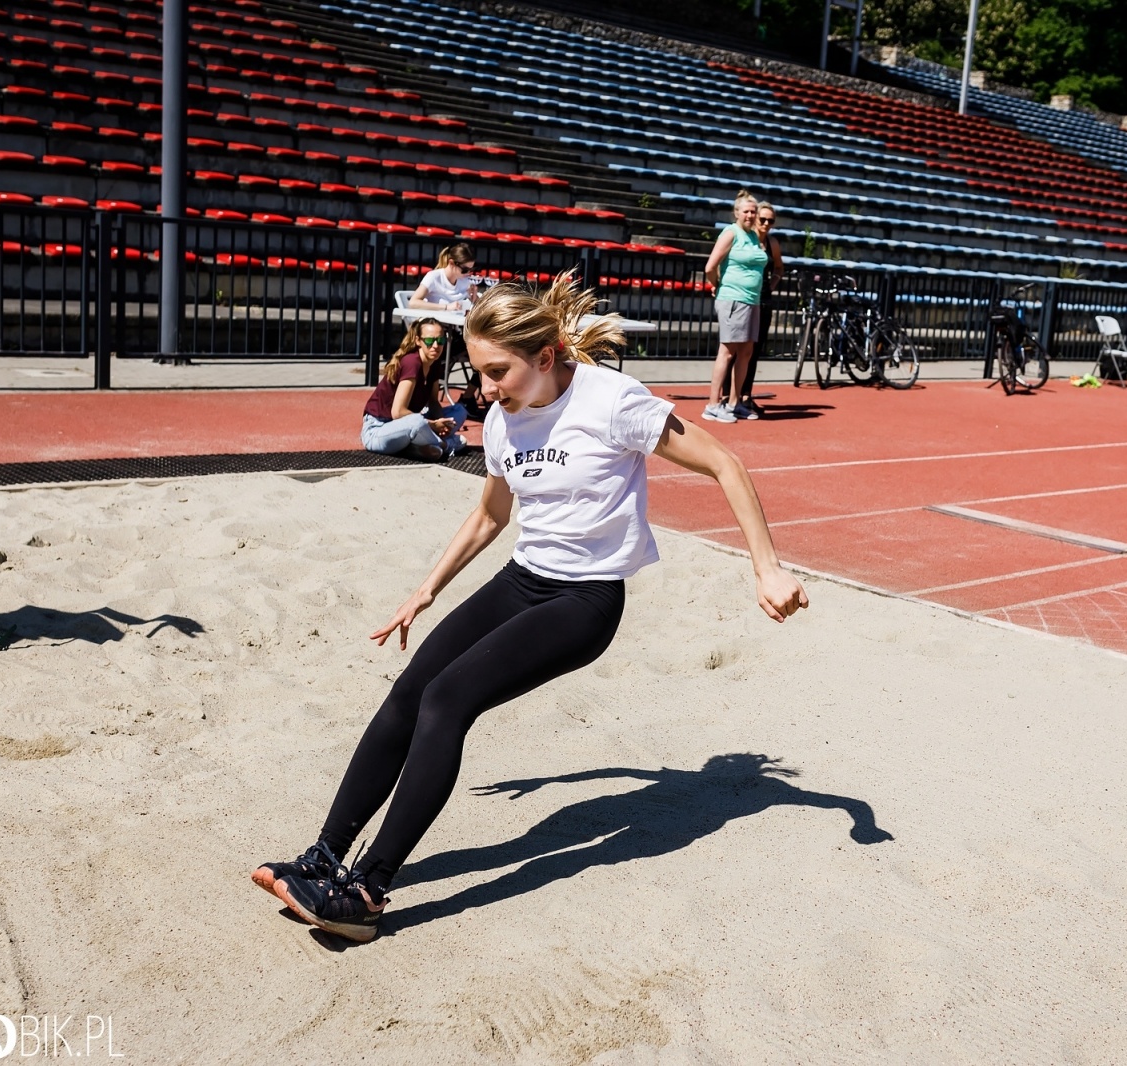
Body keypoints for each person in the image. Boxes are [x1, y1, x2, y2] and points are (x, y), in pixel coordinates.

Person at [253, 271, 809, 943]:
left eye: (497, 372)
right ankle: (323, 858)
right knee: (409, 692)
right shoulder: (499, 421)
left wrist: (767, 568)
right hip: (523, 580)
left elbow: (726, 464)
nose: (484, 388)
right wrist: (426, 589)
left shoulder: (613, 401)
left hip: (584, 600)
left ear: (545, 357)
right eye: (478, 371)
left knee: (447, 700)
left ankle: (368, 894)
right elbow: (491, 514)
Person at [360, 317, 467, 460]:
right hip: (379, 429)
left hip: (407, 425)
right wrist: (432, 425)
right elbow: (398, 412)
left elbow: (434, 402)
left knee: (459, 410)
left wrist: (443, 423)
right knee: (417, 422)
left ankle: (414, 446)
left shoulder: (434, 363)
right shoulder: (412, 363)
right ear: (418, 341)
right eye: (429, 341)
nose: (435, 345)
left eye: (440, 341)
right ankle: (445, 445)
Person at [703, 191, 768, 423]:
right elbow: (711, 266)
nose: (750, 215)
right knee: (728, 351)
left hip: (752, 300)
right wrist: (717, 285)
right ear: (737, 212)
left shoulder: (753, 236)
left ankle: (734, 402)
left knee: (746, 352)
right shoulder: (731, 233)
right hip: (733, 299)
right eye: (746, 211)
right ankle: (712, 404)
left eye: (753, 212)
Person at [736, 202, 784, 417]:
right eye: (762, 219)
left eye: (770, 221)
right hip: (743, 297)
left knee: (754, 351)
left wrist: (771, 284)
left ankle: (746, 394)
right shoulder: (746, 238)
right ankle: (729, 394)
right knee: (735, 349)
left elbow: (779, 268)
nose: (766, 224)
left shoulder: (772, 242)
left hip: (763, 300)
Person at [408, 242, 477, 312]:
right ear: (451, 263)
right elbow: (413, 303)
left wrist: (474, 299)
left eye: (471, 269)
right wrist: (446, 307)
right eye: (465, 270)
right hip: (435, 320)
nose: (468, 273)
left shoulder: (464, 281)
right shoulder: (434, 277)